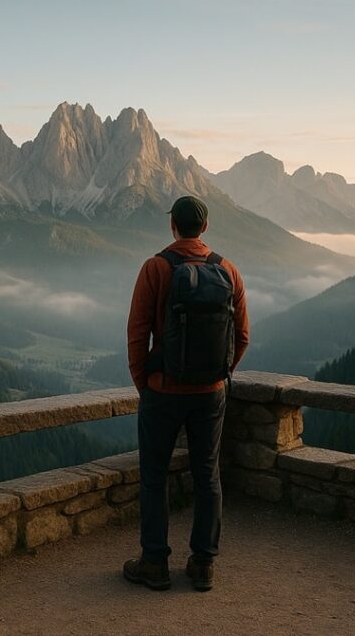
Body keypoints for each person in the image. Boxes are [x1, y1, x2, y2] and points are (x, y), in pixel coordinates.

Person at [123, 195, 249, 592]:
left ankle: (155, 562)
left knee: (154, 476)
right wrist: (220, 373)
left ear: (172, 226)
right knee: (207, 474)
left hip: (163, 390)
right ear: (205, 227)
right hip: (210, 393)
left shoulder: (155, 268)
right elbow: (242, 336)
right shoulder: (228, 270)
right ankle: (203, 564)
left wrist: (145, 382)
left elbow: (137, 335)